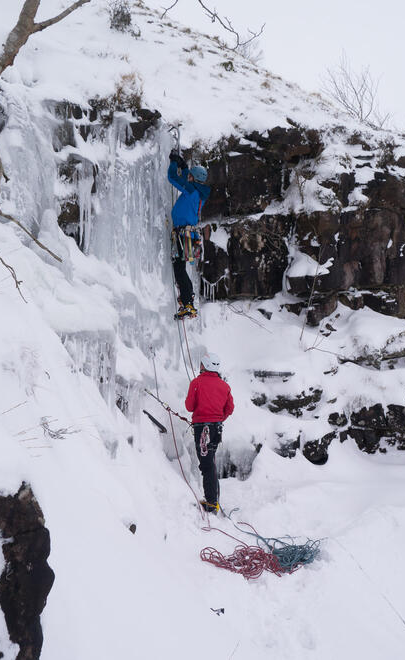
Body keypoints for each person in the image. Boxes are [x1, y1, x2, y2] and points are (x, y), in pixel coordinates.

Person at [185, 353, 234, 513]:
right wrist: (218, 419)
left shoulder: (196, 383)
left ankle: (212, 502)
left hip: (202, 429)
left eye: (201, 364)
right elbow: (230, 409)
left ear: (204, 365)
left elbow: (189, 407)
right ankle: (215, 498)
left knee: (206, 465)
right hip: (216, 429)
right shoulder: (224, 386)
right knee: (210, 462)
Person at [168, 149, 211, 319]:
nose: (188, 177)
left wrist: (173, 162)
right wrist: (184, 166)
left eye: (190, 175)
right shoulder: (198, 191)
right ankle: (188, 301)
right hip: (189, 235)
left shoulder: (192, 190)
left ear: (194, 178)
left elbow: (173, 178)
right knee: (181, 268)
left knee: (179, 269)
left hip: (183, 234)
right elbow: (188, 180)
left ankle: (187, 303)